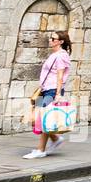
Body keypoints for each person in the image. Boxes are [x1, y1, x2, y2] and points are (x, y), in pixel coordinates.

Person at [24, 31, 72, 159]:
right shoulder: (54, 55)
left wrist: (57, 94)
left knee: (43, 118)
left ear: (60, 42)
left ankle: (41, 150)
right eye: (51, 38)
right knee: (38, 118)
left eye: (53, 38)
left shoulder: (61, 56)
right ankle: (55, 139)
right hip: (44, 90)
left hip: (52, 90)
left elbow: (60, 76)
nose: (50, 40)